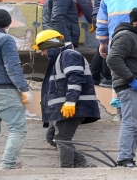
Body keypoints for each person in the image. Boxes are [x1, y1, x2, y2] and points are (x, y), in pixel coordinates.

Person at [36, 30, 99, 168]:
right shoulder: (58, 59)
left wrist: (70, 102)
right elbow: (59, 85)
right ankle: (81, 162)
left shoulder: (69, 55)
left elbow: (75, 79)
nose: (42, 53)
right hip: (60, 109)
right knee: (52, 138)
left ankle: (67, 170)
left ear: (50, 45)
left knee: (62, 139)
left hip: (71, 107)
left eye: (42, 49)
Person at [106, 8, 137, 167]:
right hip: (130, 88)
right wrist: (131, 80)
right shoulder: (126, 36)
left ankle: (128, 158)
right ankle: (124, 159)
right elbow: (113, 59)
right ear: (134, 21)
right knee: (131, 123)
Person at [91, 0, 137, 85]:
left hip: (99, 11)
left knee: (102, 46)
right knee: (112, 45)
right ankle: (108, 77)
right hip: (113, 12)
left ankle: (94, 76)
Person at [0, 9, 31, 170]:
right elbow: (12, 66)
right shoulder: (5, 39)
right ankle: (7, 167)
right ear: (8, 23)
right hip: (4, 90)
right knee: (18, 129)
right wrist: (24, 89)